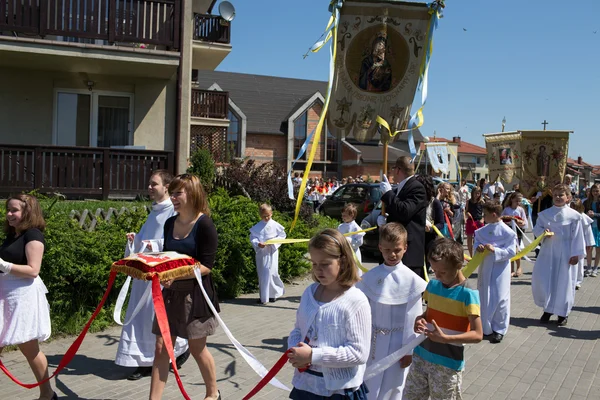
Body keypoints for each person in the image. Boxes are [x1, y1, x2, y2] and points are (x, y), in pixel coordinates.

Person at [149, 174, 221, 400]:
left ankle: (212, 394)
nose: (173, 197)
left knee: (197, 348)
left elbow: (207, 266)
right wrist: (154, 268)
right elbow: (168, 256)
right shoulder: (170, 222)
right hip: (170, 294)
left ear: (192, 193)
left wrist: (176, 275)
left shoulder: (205, 224)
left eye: (178, 193)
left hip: (196, 296)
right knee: (161, 348)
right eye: (172, 193)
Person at [116, 170, 190, 380]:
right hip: (145, 274)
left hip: (159, 275)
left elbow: (173, 243)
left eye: (154, 184)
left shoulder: (172, 213)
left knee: (153, 318)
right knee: (142, 318)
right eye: (149, 183)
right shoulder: (154, 211)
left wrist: (152, 246)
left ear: (166, 187)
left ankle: (155, 360)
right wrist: (135, 240)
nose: (149, 187)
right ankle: (148, 358)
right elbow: (147, 239)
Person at [287, 229, 371, 399]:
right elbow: (298, 329)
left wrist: (313, 355)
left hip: (339, 391)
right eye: (314, 264)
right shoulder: (309, 293)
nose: (318, 270)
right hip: (306, 386)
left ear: (343, 261)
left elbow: (358, 353)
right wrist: (295, 349)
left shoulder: (356, 300)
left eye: (325, 264)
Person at [403, 238, 483, 400]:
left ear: (459, 266)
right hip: (421, 356)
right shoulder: (432, 286)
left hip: (447, 365)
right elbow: (429, 314)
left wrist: (446, 338)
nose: (437, 276)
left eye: (443, 272)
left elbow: (478, 334)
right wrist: (420, 319)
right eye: (434, 271)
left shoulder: (468, 294)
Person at [357, 223, 427, 400]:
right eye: (387, 250)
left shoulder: (411, 280)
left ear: (405, 248)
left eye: (397, 249)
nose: (392, 254)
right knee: (369, 381)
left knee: (394, 385)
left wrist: (409, 351)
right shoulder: (370, 277)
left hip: (398, 344)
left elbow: (414, 318)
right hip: (372, 341)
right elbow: (362, 311)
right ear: (380, 248)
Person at [0, 195, 56, 400]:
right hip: (4, 295)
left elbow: (33, 270)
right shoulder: (12, 235)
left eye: (14, 210)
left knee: (29, 347)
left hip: (22, 297)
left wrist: (4, 266)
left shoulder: (33, 235)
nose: (8, 214)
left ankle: (47, 394)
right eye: (7, 209)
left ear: (27, 212)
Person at [532, 184, 586, 327]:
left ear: (568, 197)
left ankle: (562, 313)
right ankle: (548, 310)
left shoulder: (575, 216)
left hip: (567, 252)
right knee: (546, 280)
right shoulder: (544, 214)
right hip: (548, 252)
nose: (557, 197)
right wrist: (543, 233)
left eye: (561, 195)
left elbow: (578, 236)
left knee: (564, 282)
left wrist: (576, 255)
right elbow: (537, 230)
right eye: (555, 194)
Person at [378, 156, 427, 280]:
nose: (393, 172)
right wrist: (383, 220)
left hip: (408, 252)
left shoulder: (417, 187)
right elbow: (395, 210)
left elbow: (405, 211)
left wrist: (388, 194)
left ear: (398, 170)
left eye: (394, 169)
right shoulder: (401, 187)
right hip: (394, 247)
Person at [475, 201, 517, 343]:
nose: (483, 217)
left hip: (501, 270)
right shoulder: (482, 231)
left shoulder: (508, 232)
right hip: (486, 268)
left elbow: (512, 251)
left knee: (501, 297)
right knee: (484, 295)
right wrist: (479, 247)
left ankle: (499, 328)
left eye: (485, 215)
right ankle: (485, 327)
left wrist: (496, 250)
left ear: (494, 215)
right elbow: (476, 243)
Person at [250, 203, 286, 305]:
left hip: (272, 252)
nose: (266, 218)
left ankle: (273, 294)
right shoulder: (257, 226)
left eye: (268, 215)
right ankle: (263, 297)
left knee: (272, 272)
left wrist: (273, 242)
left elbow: (282, 235)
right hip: (262, 253)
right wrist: (258, 244)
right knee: (263, 274)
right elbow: (253, 238)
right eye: (264, 216)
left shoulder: (275, 225)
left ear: (271, 213)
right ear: (260, 215)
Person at [415, 175, 445, 262]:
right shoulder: (414, 201)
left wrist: (431, 229)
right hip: (415, 239)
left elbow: (441, 223)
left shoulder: (434, 202)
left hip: (429, 240)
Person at [501, 192, 528, 278]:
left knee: (517, 249)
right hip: (509, 231)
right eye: (516, 201)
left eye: (519, 201)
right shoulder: (506, 209)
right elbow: (501, 218)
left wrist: (520, 222)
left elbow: (524, 222)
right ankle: (511, 269)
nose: (518, 203)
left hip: (518, 231)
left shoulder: (520, 210)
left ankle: (519, 267)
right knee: (511, 249)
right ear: (512, 199)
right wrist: (508, 218)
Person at [570, 199, 594, 290]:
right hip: (570, 242)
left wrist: (589, 243)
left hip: (581, 242)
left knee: (580, 262)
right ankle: (570, 279)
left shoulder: (583, 217)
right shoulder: (569, 216)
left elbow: (588, 232)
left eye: (575, 207)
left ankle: (578, 281)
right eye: (572, 207)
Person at [337, 203, 366, 275]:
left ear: (352, 215)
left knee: (354, 271)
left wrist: (349, 240)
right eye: (342, 215)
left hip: (353, 253)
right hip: (343, 253)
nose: (342, 217)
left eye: (345, 215)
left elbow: (359, 242)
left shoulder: (356, 228)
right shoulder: (341, 226)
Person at [583, 184, 600, 277]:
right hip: (589, 228)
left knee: (598, 250)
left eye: (597, 191)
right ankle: (588, 267)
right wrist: (587, 213)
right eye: (593, 191)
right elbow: (581, 212)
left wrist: (595, 214)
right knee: (589, 249)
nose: (595, 193)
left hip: (599, 229)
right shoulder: (586, 202)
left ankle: (595, 268)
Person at [465, 187, 485, 257]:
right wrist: (467, 214)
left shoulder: (482, 202)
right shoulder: (468, 201)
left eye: (478, 193)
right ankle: (471, 256)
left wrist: (483, 219)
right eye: (475, 193)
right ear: (472, 193)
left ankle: (477, 255)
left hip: (479, 222)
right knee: (469, 239)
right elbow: (466, 211)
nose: (477, 195)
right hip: (471, 221)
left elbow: (486, 213)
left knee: (478, 239)